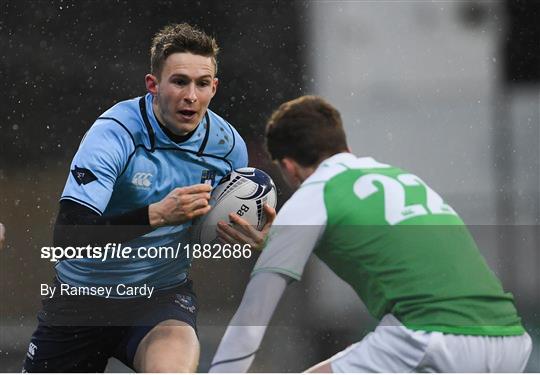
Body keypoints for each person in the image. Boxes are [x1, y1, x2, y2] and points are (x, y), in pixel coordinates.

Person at [210, 95, 532, 372]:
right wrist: (280, 244)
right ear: (345, 145)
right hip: (510, 341)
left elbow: (251, 319)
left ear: (289, 167)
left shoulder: (313, 194)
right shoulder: (405, 179)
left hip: (430, 338)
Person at [23, 23, 274, 373]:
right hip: (78, 299)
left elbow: (208, 234)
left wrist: (255, 241)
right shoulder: (114, 133)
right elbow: (69, 238)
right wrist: (155, 215)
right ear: (153, 85)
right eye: (179, 81)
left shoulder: (228, 149)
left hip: (160, 298)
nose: (191, 96)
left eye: (202, 84)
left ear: (214, 88)